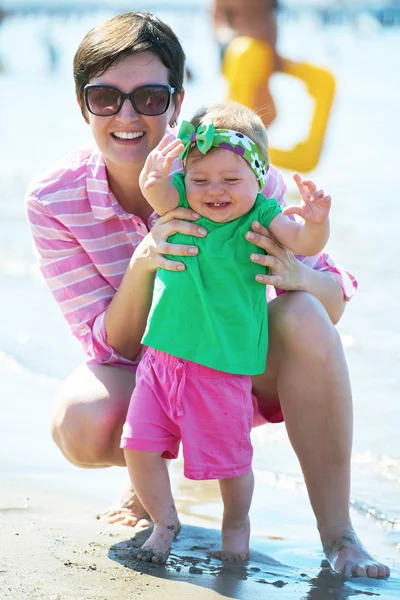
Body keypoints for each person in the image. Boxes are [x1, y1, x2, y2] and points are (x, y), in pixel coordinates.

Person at [25, 11, 389, 578]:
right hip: (153, 372)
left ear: (177, 100)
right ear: (81, 104)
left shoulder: (234, 168)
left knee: (304, 317)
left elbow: (332, 301)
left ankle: (340, 535)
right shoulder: (53, 200)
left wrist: (299, 276)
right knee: (82, 419)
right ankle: (152, 498)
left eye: (148, 98)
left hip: (236, 363)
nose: (127, 116)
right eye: (105, 98)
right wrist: (147, 260)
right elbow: (111, 347)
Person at [121, 101, 332, 564]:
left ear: (259, 178)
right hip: (162, 358)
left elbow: (302, 243)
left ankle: (236, 527)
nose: (214, 191)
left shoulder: (262, 216)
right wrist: (153, 177)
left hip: (222, 367)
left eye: (231, 180)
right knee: (138, 445)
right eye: (201, 179)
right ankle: (164, 522)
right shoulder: (180, 199)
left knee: (230, 464)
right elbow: (157, 194)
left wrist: (316, 223)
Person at [212, 0, 281, 126]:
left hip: (262, 55)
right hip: (239, 54)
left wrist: (272, 54)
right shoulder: (240, 49)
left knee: (267, 112)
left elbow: (270, 19)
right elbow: (219, 24)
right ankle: (233, 129)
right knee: (244, 52)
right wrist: (235, 39)